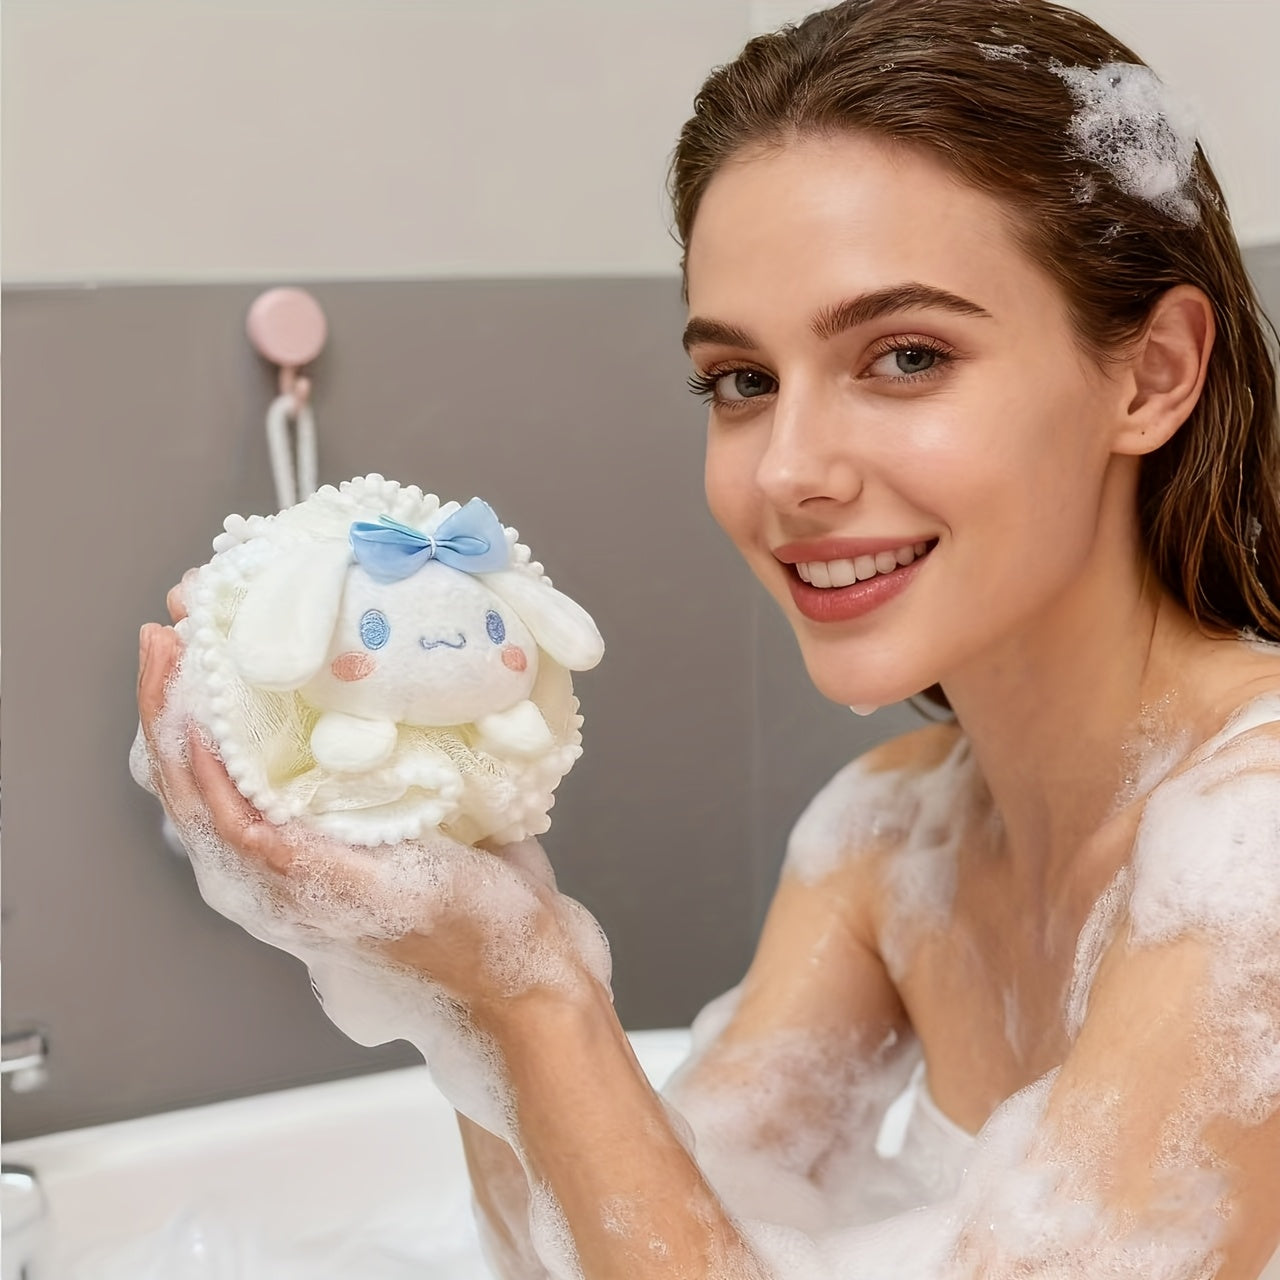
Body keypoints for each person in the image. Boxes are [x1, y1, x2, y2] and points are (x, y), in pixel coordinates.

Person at [135, 0, 1280, 1275]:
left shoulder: (1254, 848)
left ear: (1151, 373)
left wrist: (533, 987)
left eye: (904, 355)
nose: (787, 470)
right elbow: (609, 1238)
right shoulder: (893, 837)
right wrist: (452, 925)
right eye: (740, 380)